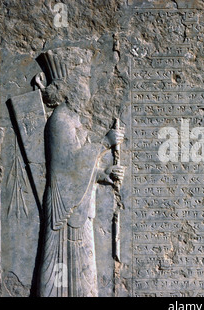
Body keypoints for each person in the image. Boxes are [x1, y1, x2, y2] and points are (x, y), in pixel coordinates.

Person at [36, 47, 124, 297]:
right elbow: (66, 168)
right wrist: (104, 143)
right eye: (83, 82)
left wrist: (101, 174)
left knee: (83, 277)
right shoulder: (60, 122)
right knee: (61, 277)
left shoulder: (72, 120)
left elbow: (76, 171)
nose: (87, 89)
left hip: (78, 208)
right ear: (70, 88)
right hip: (66, 213)